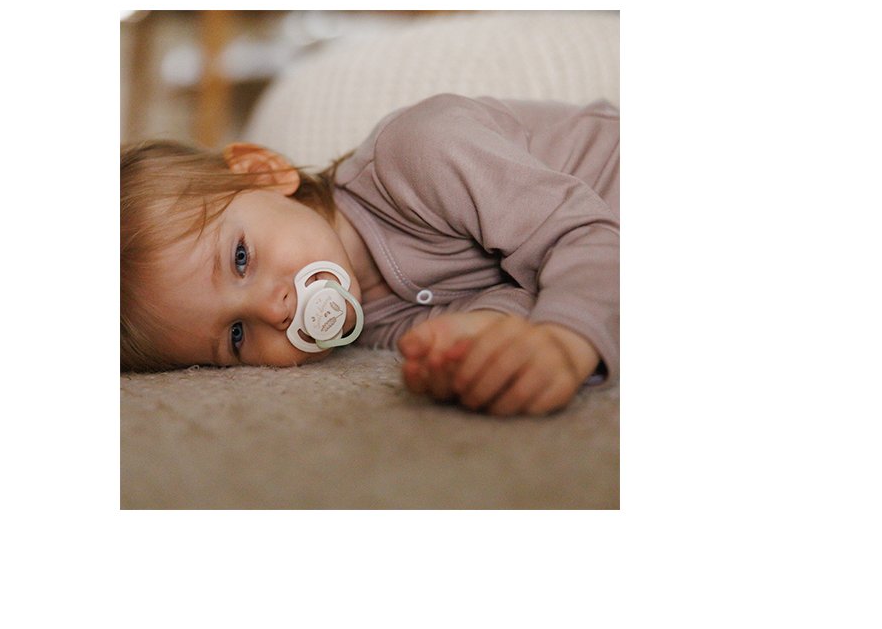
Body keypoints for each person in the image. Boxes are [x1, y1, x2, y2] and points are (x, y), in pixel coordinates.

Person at [121, 93, 619, 416]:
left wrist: (564, 340)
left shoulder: (421, 153)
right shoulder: (369, 325)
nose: (274, 311)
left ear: (264, 172)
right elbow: (527, 297)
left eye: (240, 259)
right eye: (236, 336)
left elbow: (584, 235)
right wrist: (480, 342)